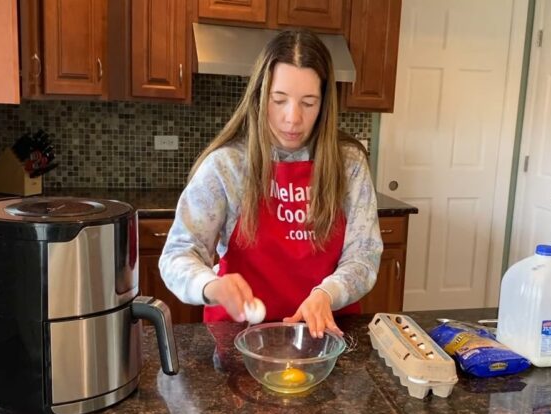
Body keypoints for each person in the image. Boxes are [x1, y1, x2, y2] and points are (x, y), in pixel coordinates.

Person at [159, 28, 383, 338]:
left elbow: (364, 256)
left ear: (325, 104)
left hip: (325, 335)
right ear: (261, 95)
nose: (292, 118)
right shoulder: (227, 166)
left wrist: (328, 293)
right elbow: (178, 255)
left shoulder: (350, 164)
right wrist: (210, 285)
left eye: (308, 103)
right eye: (279, 100)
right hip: (238, 339)